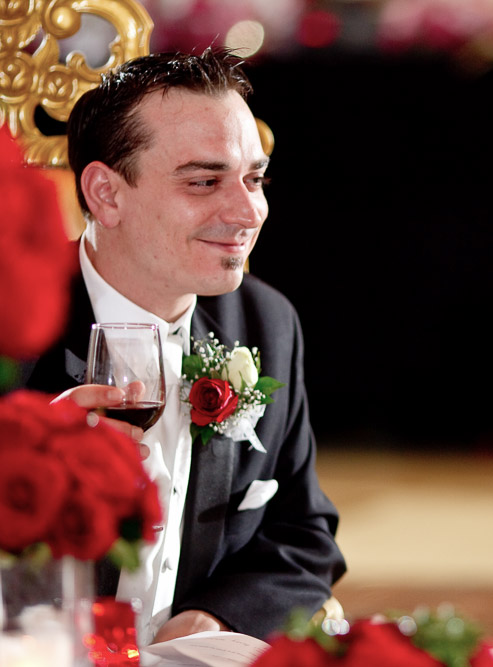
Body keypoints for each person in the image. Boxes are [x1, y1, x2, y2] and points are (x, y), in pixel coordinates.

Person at [24, 49, 346, 645]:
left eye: (255, 178)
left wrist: (215, 618)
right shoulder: (12, 328)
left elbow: (303, 536)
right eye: (204, 182)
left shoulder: (266, 323)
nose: (248, 211)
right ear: (105, 194)